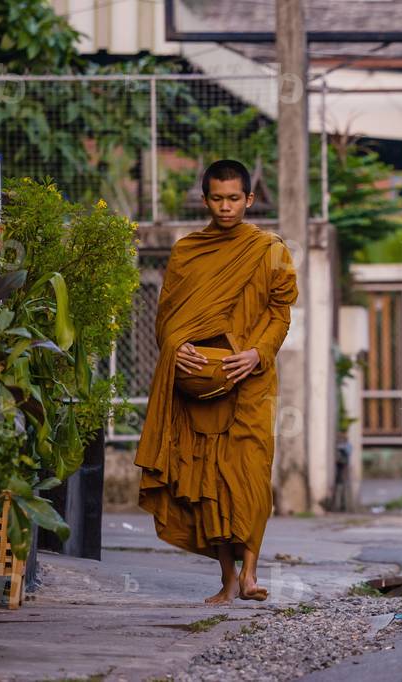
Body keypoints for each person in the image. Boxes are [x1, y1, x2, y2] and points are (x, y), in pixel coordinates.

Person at [135, 159, 298, 604]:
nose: (226, 208)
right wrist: (176, 347)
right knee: (206, 479)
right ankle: (227, 579)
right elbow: (166, 318)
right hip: (198, 383)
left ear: (249, 199)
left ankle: (250, 573)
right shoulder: (188, 251)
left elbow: (279, 315)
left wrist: (257, 353)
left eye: (234, 199)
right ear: (205, 200)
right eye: (217, 199)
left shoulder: (269, 250)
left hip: (250, 380)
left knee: (249, 473)